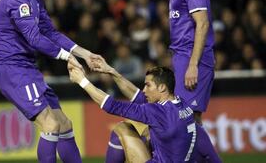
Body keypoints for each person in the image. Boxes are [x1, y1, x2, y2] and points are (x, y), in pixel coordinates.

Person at [0, 0, 101, 162]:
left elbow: (50, 33)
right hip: (13, 70)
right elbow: (34, 38)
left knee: (64, 124)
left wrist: (85, 54)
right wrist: (66, 56)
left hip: (28, 69)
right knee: (50, 125)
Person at [68, 61, 220, 162]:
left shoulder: (157, 112)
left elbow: (112, 106)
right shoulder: (182, 105)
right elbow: (136, 95)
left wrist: (82, 81)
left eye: (148, 85)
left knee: (123, 128)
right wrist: (112, 72)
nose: (144, 90)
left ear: (162, 88)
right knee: (148, 134)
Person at [151, 0, 215, 124]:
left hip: (193, 58)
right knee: (188, 120)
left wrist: (193, 65)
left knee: (188, 119)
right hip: (182, 57)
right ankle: (203, 153)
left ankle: (209, 154)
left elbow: (202, 23)